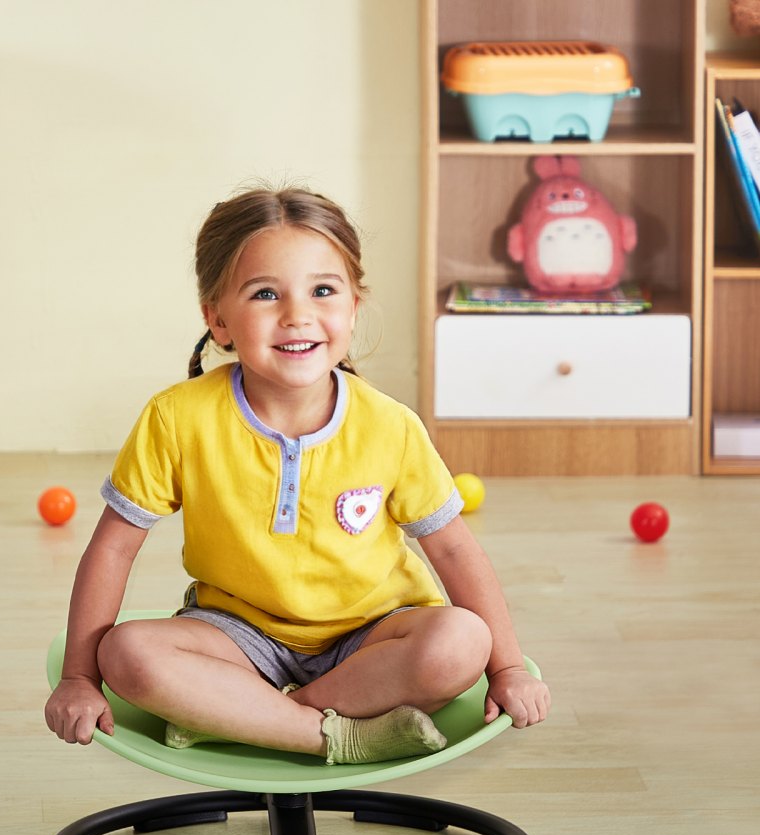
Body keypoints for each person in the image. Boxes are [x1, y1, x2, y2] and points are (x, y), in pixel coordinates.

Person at [44, 186, 550, 765]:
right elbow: (113, 548)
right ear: (218, 319)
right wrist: (79, 677)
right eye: (265, 293)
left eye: (323, 290)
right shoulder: (175, 418)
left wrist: (507, 669)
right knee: (126, 654)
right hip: (236, 635)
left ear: (353, 307)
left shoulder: (390, 425)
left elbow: (455, 551)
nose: (297, 315)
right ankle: (334, 735)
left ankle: (243, 716)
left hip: (373, 635)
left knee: (463, 641)